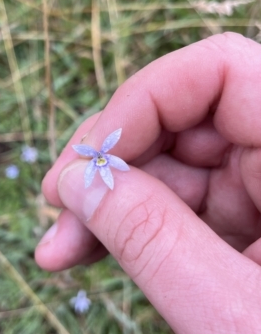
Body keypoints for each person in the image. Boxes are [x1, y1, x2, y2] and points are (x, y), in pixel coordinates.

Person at [35, 32, 261, 333]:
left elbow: (105, 161)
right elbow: (95, 158)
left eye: (100, 159)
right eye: (98, 160)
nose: (100, 161)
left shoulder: (105, 157)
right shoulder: (96, 159)